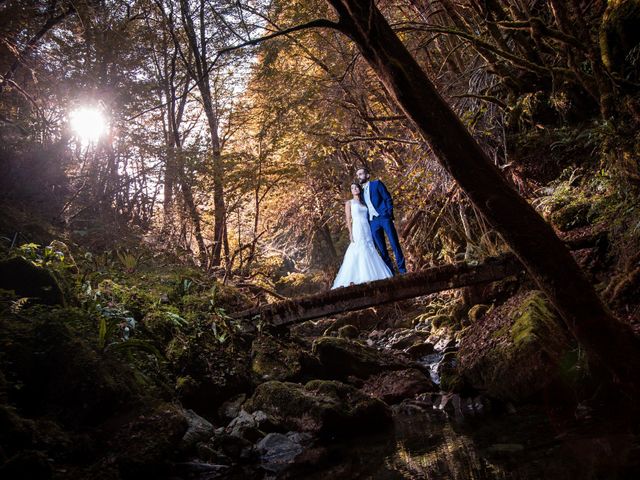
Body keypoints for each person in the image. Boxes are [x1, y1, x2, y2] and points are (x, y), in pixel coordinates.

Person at [331, 182, 393, 289]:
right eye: (352, 188)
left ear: (359, 189)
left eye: (356, 187)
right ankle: (361, 276)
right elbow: (348, 219)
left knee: (370, 247)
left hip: (367, 228)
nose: (354, 189)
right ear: (351, 191)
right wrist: (350, 233)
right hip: (357, 228)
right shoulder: (349, 203)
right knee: (359, 248)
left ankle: (376, 276)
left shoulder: (364, 203)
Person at [356, 166, 407, 274]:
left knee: (394, 244)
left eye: (360, 174)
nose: (359, 176)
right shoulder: (360, 193)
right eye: (357, 175)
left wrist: (389, 214)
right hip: (373, 222)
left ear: (367, 175)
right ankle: (391, 273)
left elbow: (387, 198)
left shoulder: (377, 184)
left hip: (384, 217)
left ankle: (402, 271)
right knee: (382, 250)